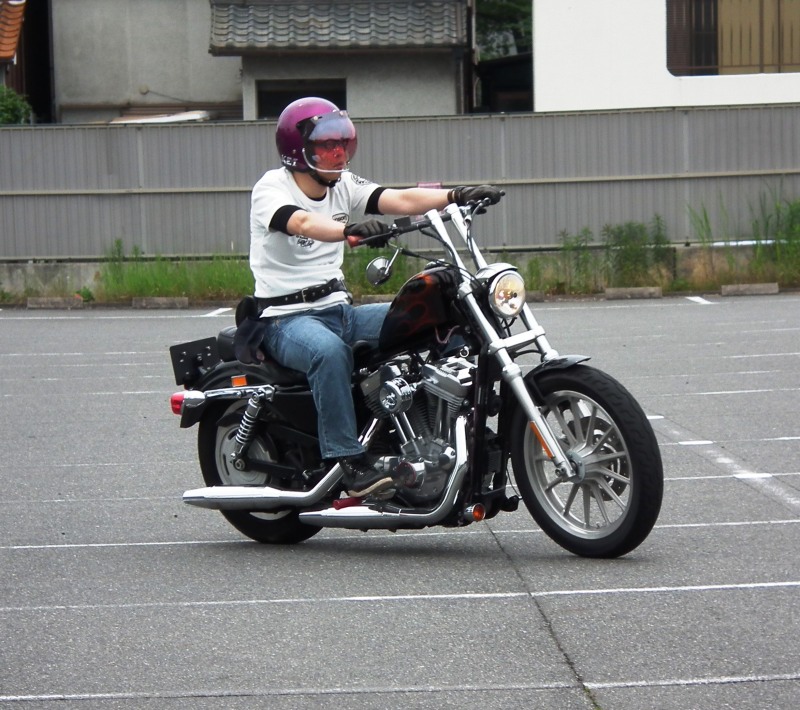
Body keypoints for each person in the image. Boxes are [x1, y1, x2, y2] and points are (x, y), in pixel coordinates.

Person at [249, 96, 501, 498]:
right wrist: (347, 230)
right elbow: (301, 222)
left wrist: (456, 195)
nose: (339, 152)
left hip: (339, 311)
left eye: (342, 143)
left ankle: (457, 412)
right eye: (327, 145)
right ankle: (347, 461)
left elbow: (400, 199)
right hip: (285, 319)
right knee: (329, 353)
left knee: (436, 310)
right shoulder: (271, 187)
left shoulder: (343, 183)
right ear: (299, 150)